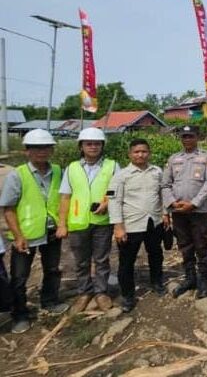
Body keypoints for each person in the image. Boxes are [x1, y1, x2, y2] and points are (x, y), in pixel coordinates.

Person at [0, 129, 68, 333]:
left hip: (51, 231)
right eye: (36, 148)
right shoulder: (17, 175)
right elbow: (9, 208)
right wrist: (18, 236)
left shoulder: (58, 171)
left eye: (46, 147)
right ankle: (20, 314)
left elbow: (64, 199)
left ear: (52, 150)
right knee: (20, 277)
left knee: (52, 269)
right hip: (26, 235)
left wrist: (62, 224)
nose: (41, 151)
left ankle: (50, 301)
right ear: (27, 151)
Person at [58, 127, 120, 314]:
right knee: (81, 261)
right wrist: (62, 224)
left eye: (97, 144)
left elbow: (115, 188)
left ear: (102, 146)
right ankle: (84, 292)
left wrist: (107, 202)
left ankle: (101, 292)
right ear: (81, 146)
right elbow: (65, 197)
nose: (93, 147)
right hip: (78, 222)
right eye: (89, 144)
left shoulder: (112, 165)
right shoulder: (72, 168)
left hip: (102, 221)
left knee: (101, 259)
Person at [108, 139, 169, 313]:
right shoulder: (121, 176)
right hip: (131, 224)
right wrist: (118, 227)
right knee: (127, 261)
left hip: (153, 221)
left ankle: (156, 282)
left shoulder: (156, 171)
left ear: (149, 153)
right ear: (130, 154)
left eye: (144, 151)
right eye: (136, 152)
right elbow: (114, 201)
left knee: (156, 254)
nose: (140, 155)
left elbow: (162, 194)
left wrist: (165, 213)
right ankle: (128, 295)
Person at [161, 125, 207, 299]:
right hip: (178, 211)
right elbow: (165, 184)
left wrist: (193, 204)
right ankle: (190, 277)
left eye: (190, 136)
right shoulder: (173, 159)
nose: (187, 139)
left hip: (199, 211)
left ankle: (203, 280)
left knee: (201, 244)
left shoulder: (206, 157)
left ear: (197, 137)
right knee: (184, 245)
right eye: (184, 136)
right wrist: (172, 203)